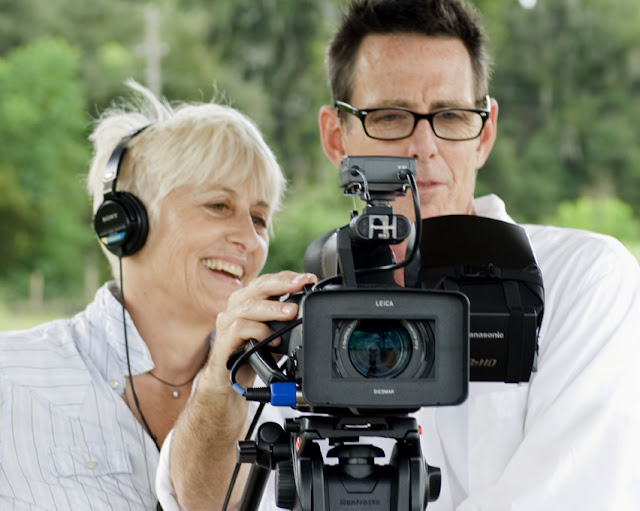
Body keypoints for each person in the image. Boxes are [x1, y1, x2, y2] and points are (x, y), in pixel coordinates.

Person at [157, 0, 640, 509]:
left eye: (451, 116)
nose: (424, 146)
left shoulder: (582, 280)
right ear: (336, 136)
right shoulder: (311, 314)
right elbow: (202, 501)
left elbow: (573, 495)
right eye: (389, 117)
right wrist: (220, 385)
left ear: (485, 132)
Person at [0, 80, 306, 509]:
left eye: (259, 218)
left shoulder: (287, 402)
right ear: (125, 223)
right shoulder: (11, 379)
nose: (250, 239)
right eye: (219, 206)